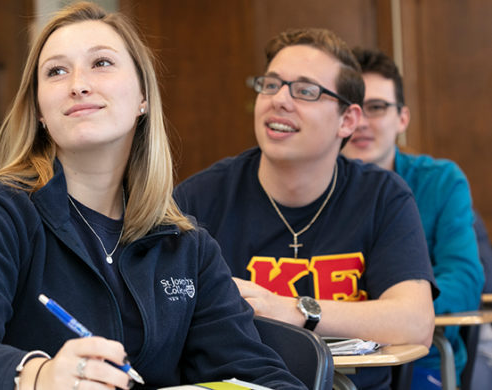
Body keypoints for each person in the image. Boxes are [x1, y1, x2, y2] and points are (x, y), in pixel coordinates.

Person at [0, 3, 307, 390]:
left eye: (101, 63)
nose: (78, 84)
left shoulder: (187, 246)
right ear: (41, 112)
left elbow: (258, 374)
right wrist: (38, 377)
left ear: (142, 98)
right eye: (56, 71)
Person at [174, 28, 438, 390]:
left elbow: (415, 322)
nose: (279, 100)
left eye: (305, 91)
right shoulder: (200, 198)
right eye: (270, 85)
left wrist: (295, 310)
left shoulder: (382, 195)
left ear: (348, 120)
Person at [341, 47, 485, 389]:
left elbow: (465, 280)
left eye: (376, 107)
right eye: (351, 108)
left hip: (419, 359)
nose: (361, 121)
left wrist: (388, 313)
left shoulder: (440, 180)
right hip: (324, 359)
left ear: (402, 118)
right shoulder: (310, 186)